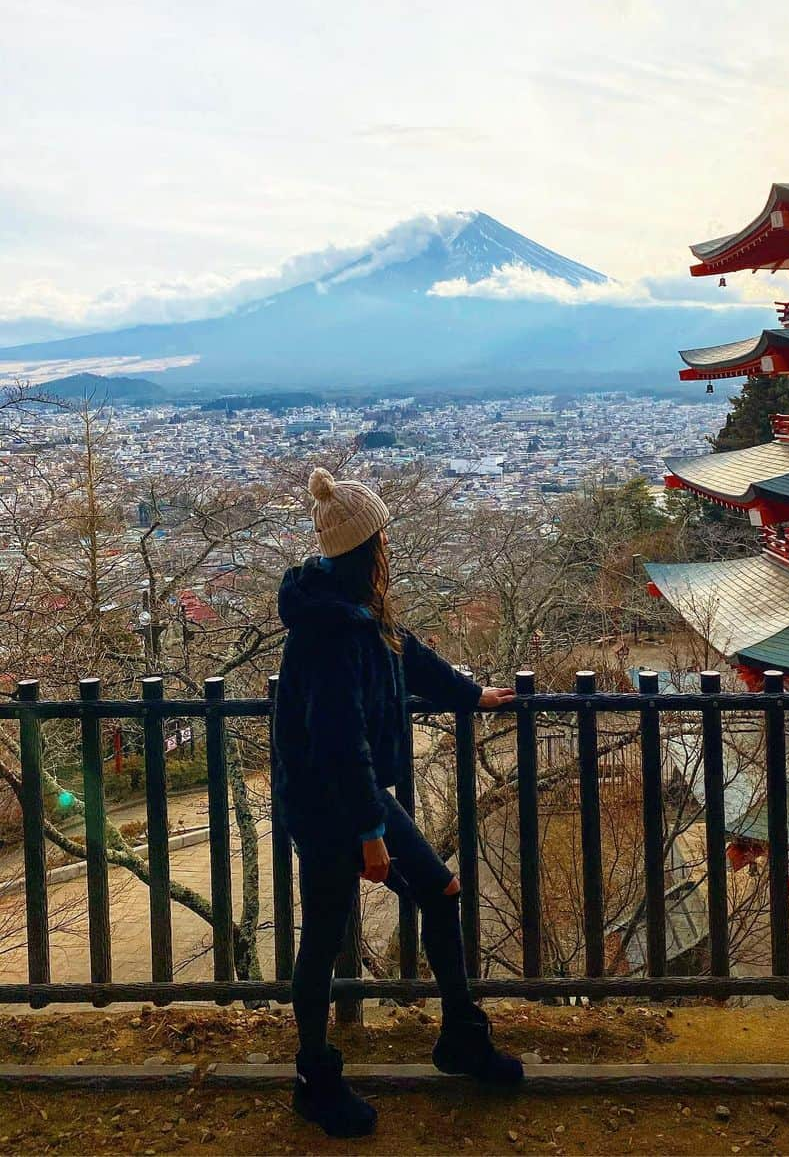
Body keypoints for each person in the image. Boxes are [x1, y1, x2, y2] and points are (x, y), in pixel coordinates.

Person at [273, 467, 524, 1138]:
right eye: (383, 539)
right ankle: (314, 1079)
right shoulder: (330, 631)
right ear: (366, 548)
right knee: (325, 939)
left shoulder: (355, 613)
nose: (389, 550)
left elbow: (406, 657)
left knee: (440, 892)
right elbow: (336, 740)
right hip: (331, 808)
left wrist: (473, 696)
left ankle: (462, 1036)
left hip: (357, 799)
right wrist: (369, 833)